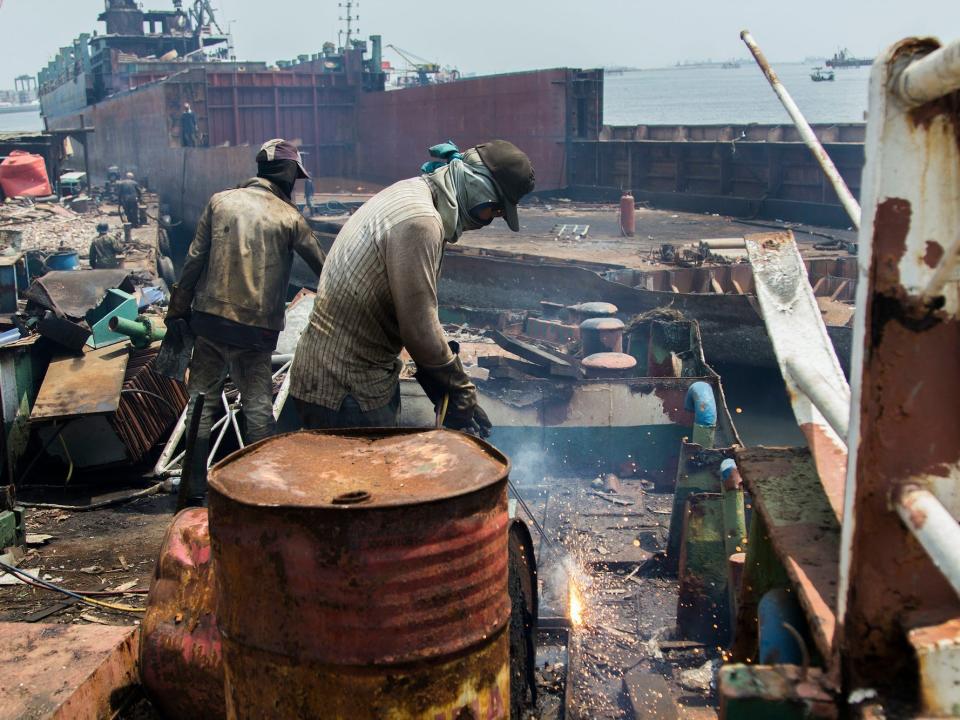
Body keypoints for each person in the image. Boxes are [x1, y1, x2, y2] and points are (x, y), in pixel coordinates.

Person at [289, 139, 535, 434]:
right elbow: (418, 328)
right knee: (369, 480)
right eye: (495, 210)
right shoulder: (421, 222)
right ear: (478, 187)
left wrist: (439, 385)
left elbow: (406, 310)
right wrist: (459, 388)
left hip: (336, 378)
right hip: (347, 389)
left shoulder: (413, 192)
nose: (490, 220)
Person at [165, 138, 327, 504]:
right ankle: (261, 492)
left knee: (201, 404)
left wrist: (178, 309)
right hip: (257, 332)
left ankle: (192, 493)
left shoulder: (220, 202)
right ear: (287, 175)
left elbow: (193, 261)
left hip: (209, 322)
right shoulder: (290, 218)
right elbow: (325, 269)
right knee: (257, 406)